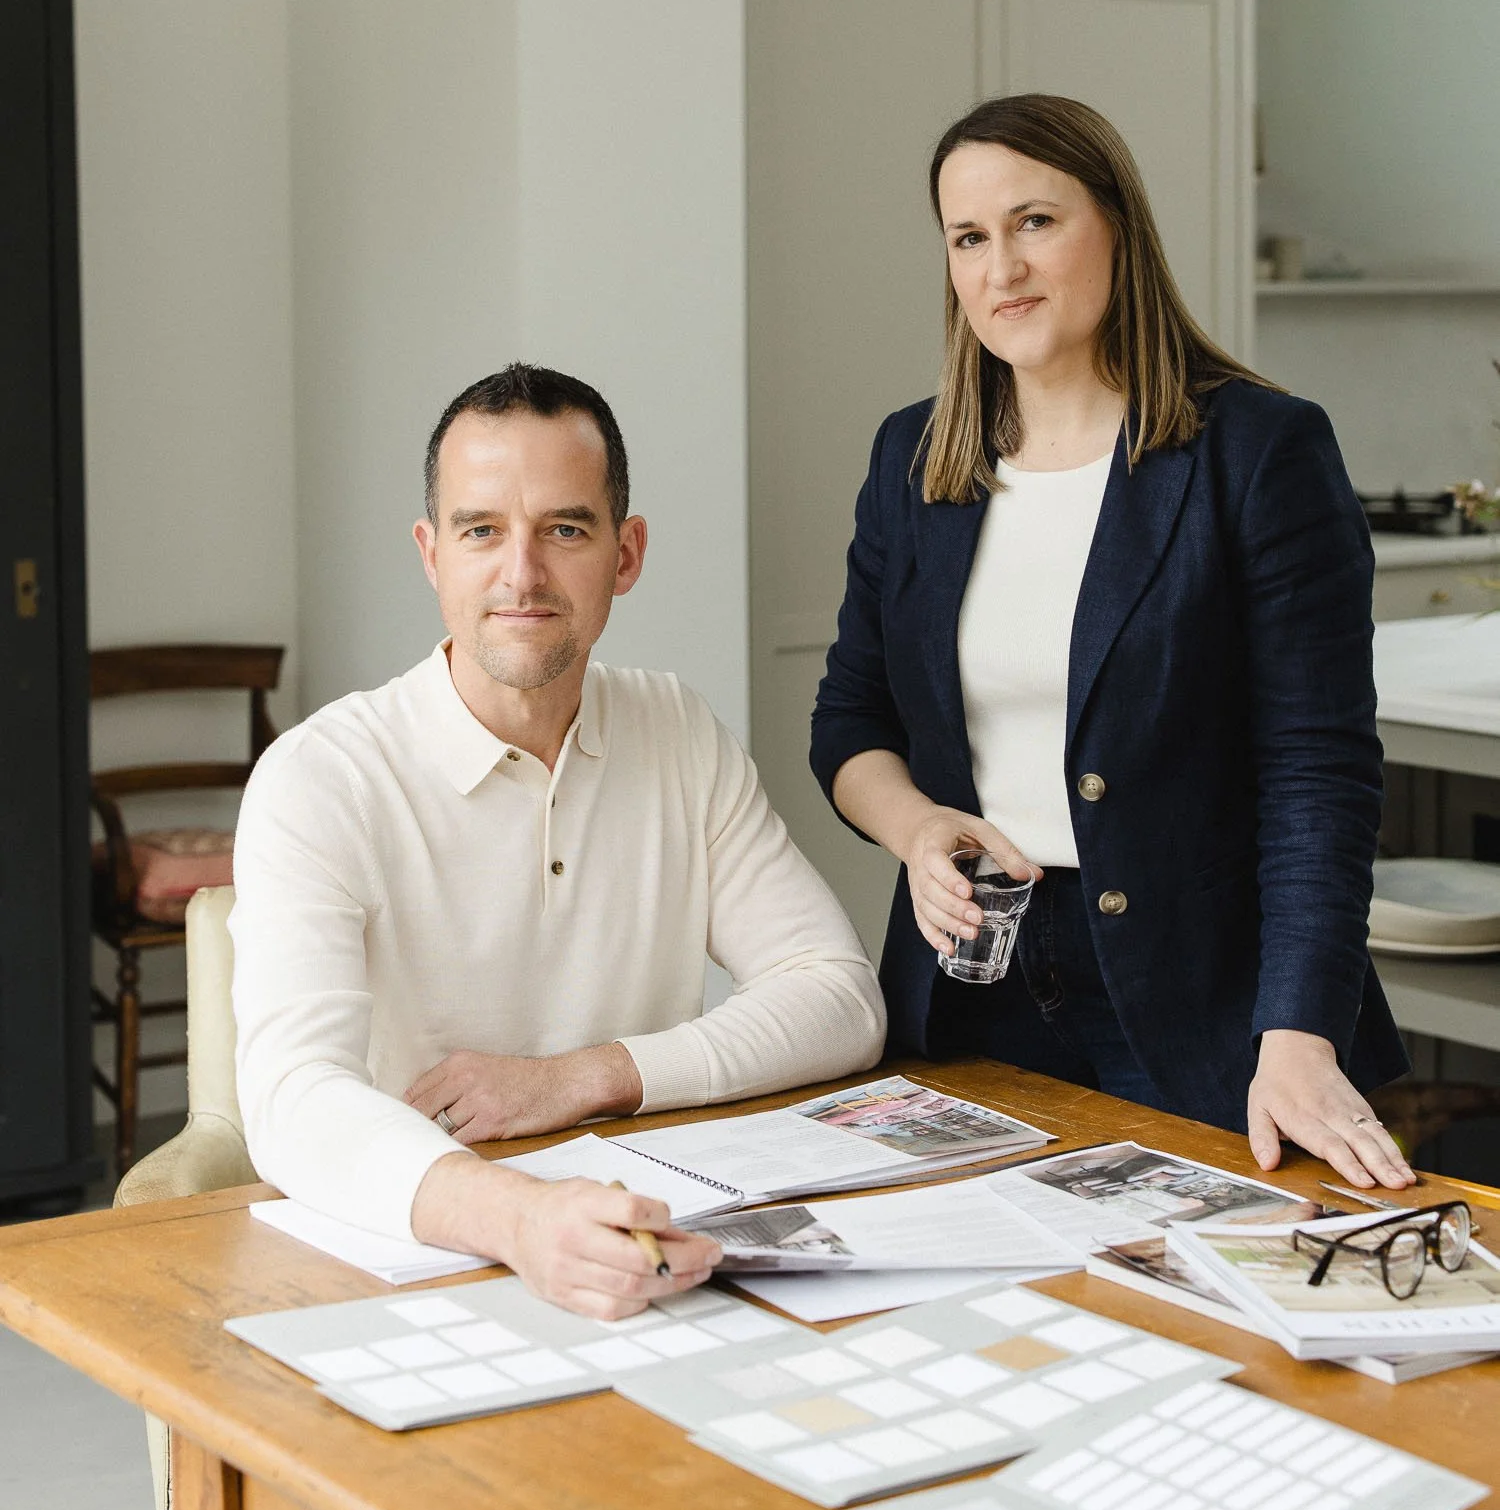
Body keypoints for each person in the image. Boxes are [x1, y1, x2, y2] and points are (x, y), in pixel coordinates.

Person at [811, 94, 1413, 1195]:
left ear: (1117, 228)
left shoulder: (1259, 452)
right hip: (970, 988)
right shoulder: (915, 460)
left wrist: (1300, 1033)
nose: (1004, 267)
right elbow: (849, 719)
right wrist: (914, 829)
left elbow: (1317, 776)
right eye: (969, 238)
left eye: (1036, 221)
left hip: (1212, 1005)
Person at [232, 364, 884, 1318]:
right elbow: (295, 1102)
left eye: (564, 530)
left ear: (627, 555)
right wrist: (520, 1218)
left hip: (641, 1245)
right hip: (416, 1255)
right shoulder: (320, 776)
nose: (522, 574)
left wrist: (583, 1079)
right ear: (431, 554)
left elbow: (837, 995)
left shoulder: (676, 727)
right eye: (481, 530)